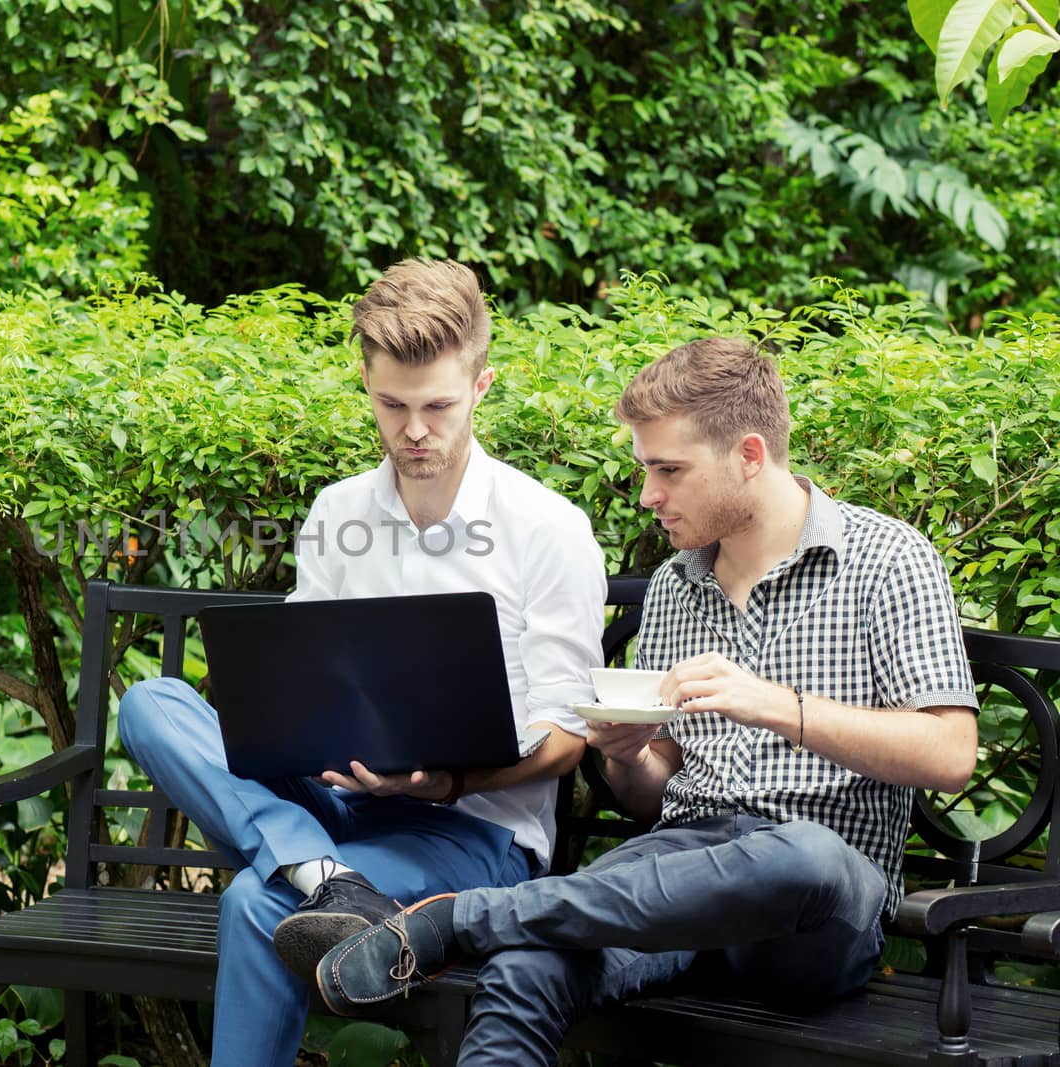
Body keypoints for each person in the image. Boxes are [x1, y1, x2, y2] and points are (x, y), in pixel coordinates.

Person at [312, 336, 980, 1066]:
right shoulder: (675, 585)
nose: (647, 494)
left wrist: (777, 705)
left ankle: (461, 919)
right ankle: (477, 928)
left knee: (802, 855)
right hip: (674, 877)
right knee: (527, 965)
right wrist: (630, 758)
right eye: (644, 468)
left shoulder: (888, 558)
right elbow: (653, 797)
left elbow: (949, 753)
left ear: (749, 455)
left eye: (669, 469)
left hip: (813, 906)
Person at [115, 258, 606, 1067]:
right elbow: (300, 675)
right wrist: (278, 721)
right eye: (392, 405)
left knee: (251, 900)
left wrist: (441, 779)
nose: (415, 429)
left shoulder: (547, 529)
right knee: (152, 704)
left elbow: (567, 738)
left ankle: (309, 873)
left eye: (438, 405)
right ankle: (326, 876)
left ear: (482, 386)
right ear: (367, 386)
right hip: (337, 800)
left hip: (471, 831)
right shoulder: (339, 511)